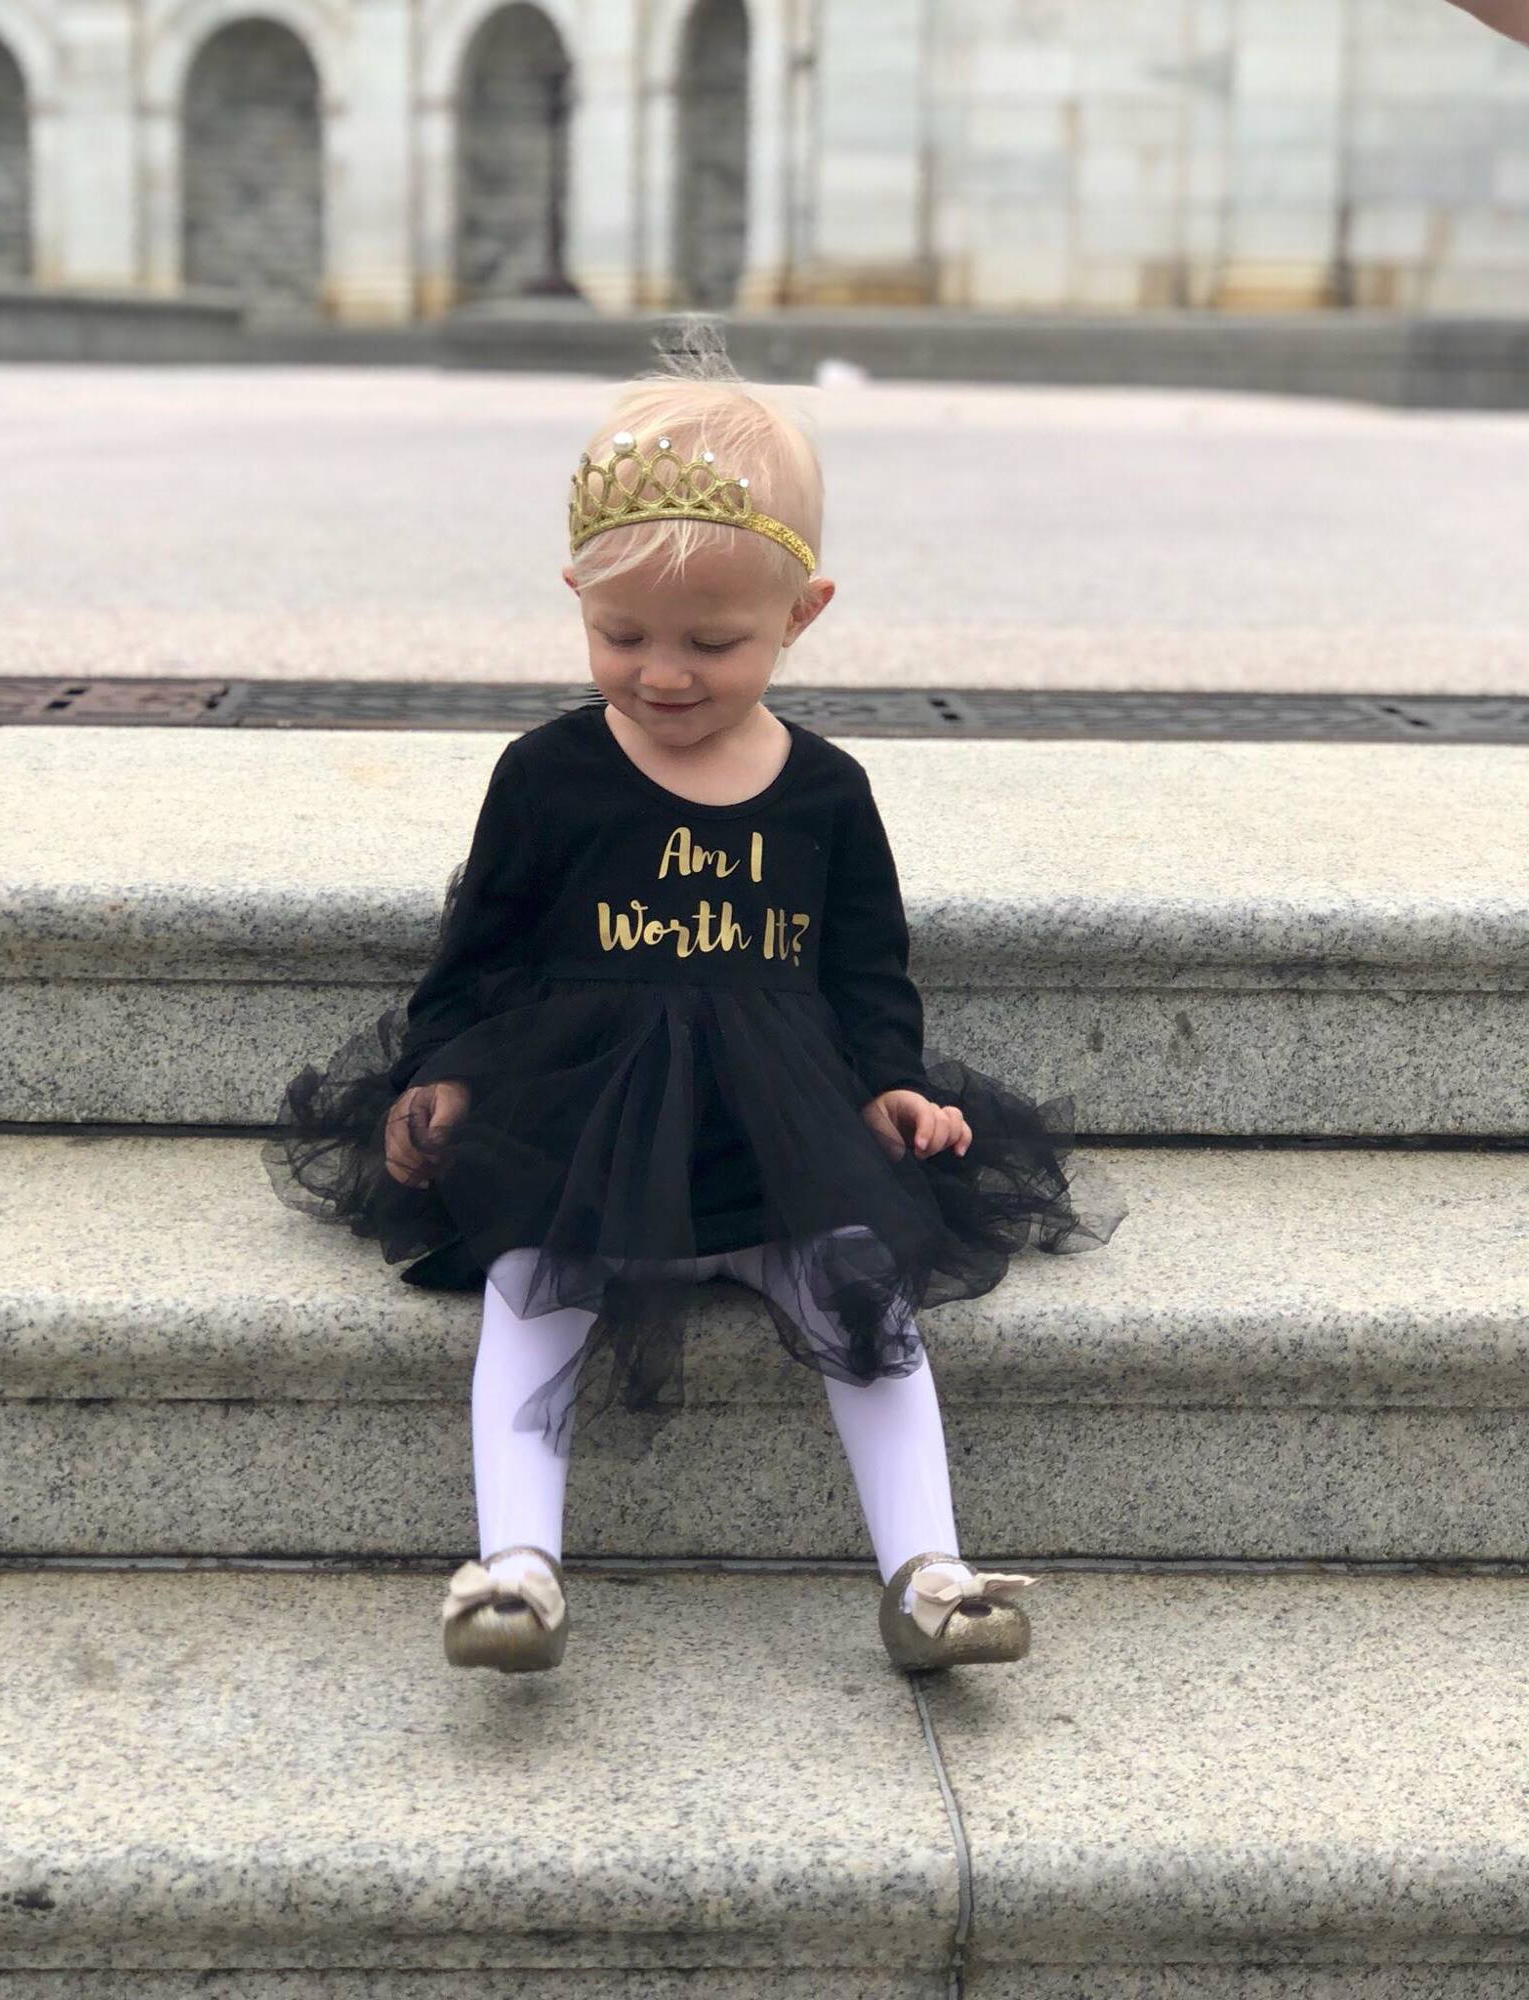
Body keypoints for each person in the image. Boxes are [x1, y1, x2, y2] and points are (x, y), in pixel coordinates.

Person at [263, 323, 1126, 1676]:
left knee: (863, 1301)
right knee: (532, 1284)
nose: (662, 673)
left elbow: (861, 969)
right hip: (582, 1122)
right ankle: (516, 1568)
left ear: (804, 613)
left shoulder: (827, 791)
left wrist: (891, 1087)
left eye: (711, 643)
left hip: (775, 1134)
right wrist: (445, 1069)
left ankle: (928, 1571)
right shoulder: (548, 776)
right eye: (622, 635)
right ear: (575, 600)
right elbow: (480, 946)